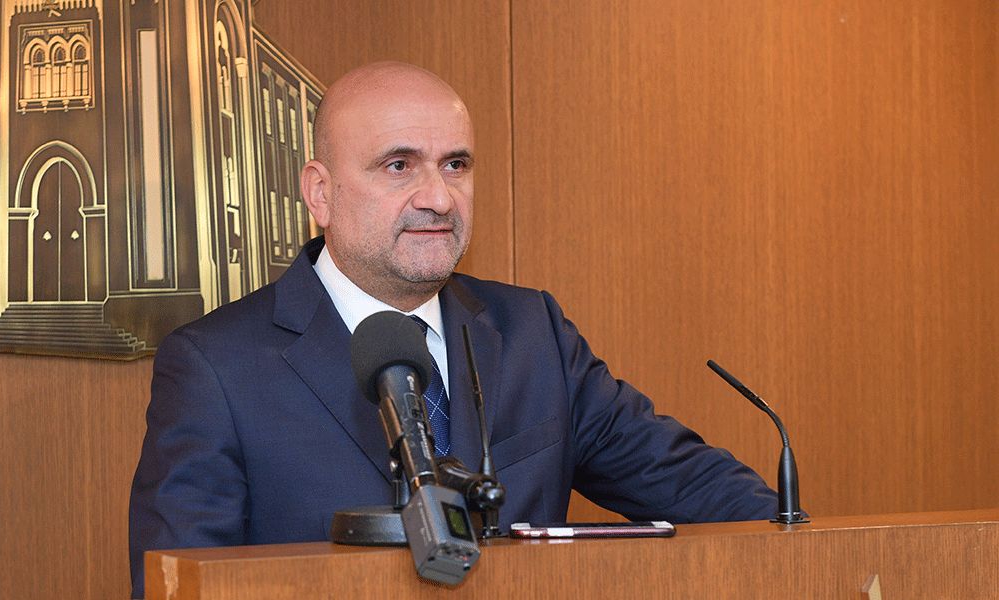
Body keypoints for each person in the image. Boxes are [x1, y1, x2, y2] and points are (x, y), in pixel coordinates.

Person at [129, 62, 777, 597]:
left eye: (456, 165)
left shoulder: (533, 335)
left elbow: (697, 489)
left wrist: (797, 537)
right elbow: (182, 583)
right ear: (320, 193)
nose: (438, 198)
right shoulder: (217, 368)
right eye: (399, 166)